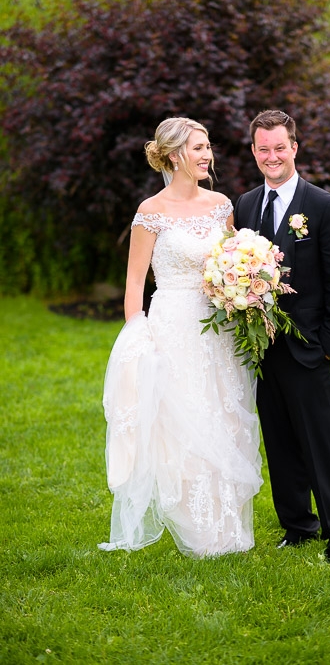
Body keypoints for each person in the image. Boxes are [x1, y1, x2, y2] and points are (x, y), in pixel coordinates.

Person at [98, 117, 262, 558]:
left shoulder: (221, 205)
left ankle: (230, 528)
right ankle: (199, 530)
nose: (208, 155)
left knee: (225, 418)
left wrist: (247, 285)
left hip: (219, 327)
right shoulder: (151, 211)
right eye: (198, 148)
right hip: (172, 326)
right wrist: (137, 337)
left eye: (208, 147)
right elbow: (135, 284)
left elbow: (234, 261)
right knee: (184, 422)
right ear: (174, 156)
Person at [234, 109, 330, 563]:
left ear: (294, 148)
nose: (272, 156)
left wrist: (328, 345)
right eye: (263, 149)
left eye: (280, 148)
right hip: (262, 349)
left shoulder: (325, 207)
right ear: (254, 151)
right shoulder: (245, 205)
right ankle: (297, 526)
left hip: (308, 349)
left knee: (319, 445)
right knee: (280, 442)